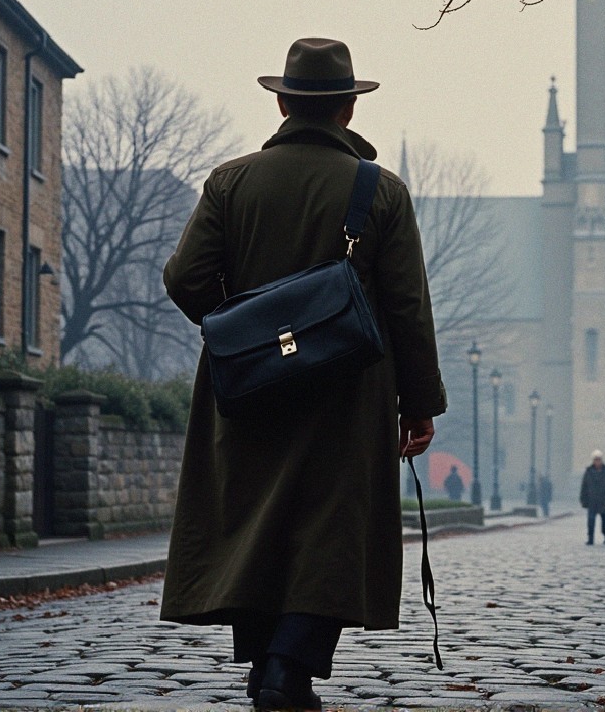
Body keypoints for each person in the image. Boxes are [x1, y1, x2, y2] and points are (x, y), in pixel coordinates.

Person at [159, 38, 447, 712]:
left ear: (284, 102)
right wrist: (419, 402)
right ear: (348, 109)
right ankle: (288, 669)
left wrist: (244, 331)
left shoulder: (231, 182)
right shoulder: (381, 192)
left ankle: (267, 668)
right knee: (329, 532)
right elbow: (407, 306)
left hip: (249, 389)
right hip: (347, 394)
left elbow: (185, 279)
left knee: (254, 526)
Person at [580, 449, 605, 545]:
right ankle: (590, 538)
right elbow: (584, 486)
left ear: (601, 460)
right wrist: (583, 499)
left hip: (603, 500)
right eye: (596, 459)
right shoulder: (588, 472)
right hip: (592, 500)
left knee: (604, 521)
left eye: (599, 459)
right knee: (591, 520)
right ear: (593, 460)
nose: (597, 461)